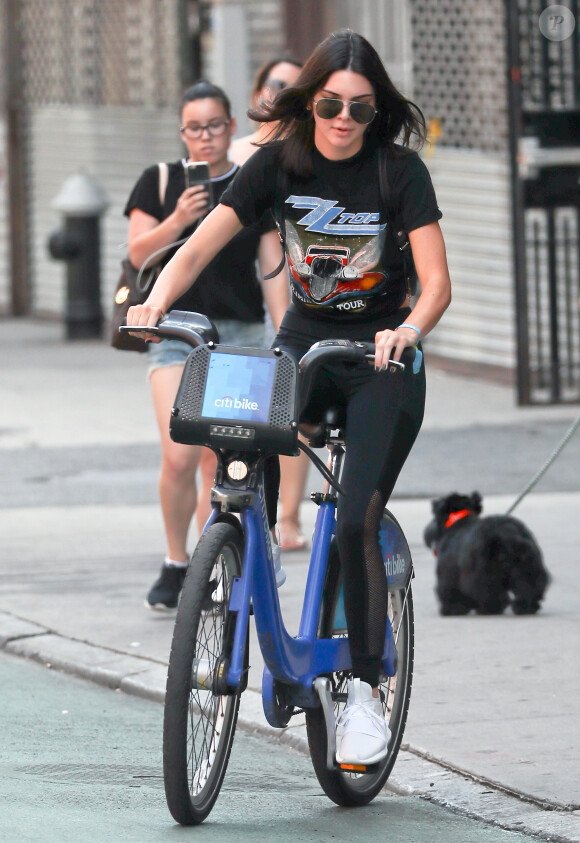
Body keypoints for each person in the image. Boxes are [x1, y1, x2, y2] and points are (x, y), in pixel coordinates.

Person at [127, 30, 452, 764]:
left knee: (353, 521)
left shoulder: (399, 173)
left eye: (361, 110)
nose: (344, 120)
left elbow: (436, 283)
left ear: (376, 114)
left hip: (379, 361)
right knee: (244, 461)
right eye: (331, 104)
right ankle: (253, 561)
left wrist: (408, 328)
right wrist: (155, 300)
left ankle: (364, 687)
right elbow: (203, 243)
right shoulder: (279, 163)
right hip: (304, 343)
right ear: (309, 103)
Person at [125, 79, 289, 611]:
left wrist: (284, 336)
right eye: (194, 128)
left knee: (215, 458)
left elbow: (271, 269)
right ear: (182, 132)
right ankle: (176, 561)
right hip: (175, 333)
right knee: (179, 454)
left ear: (231, 128)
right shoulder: (161, 181)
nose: (205, 137)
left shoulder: (252, 184)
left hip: (238, 335)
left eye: (215, 126)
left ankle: (208, 567)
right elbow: (136, 253)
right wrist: (180, 218)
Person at [230, 55, 311, 552]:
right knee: (238, 417)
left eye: (294, 88)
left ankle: (290, 515)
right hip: (240, 301)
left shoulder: (309, 156)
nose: (281, 94)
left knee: (293, 414)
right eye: (275, 84)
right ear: (260, 90)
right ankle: (234, 512)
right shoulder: (239, 155)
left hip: (293, 295)